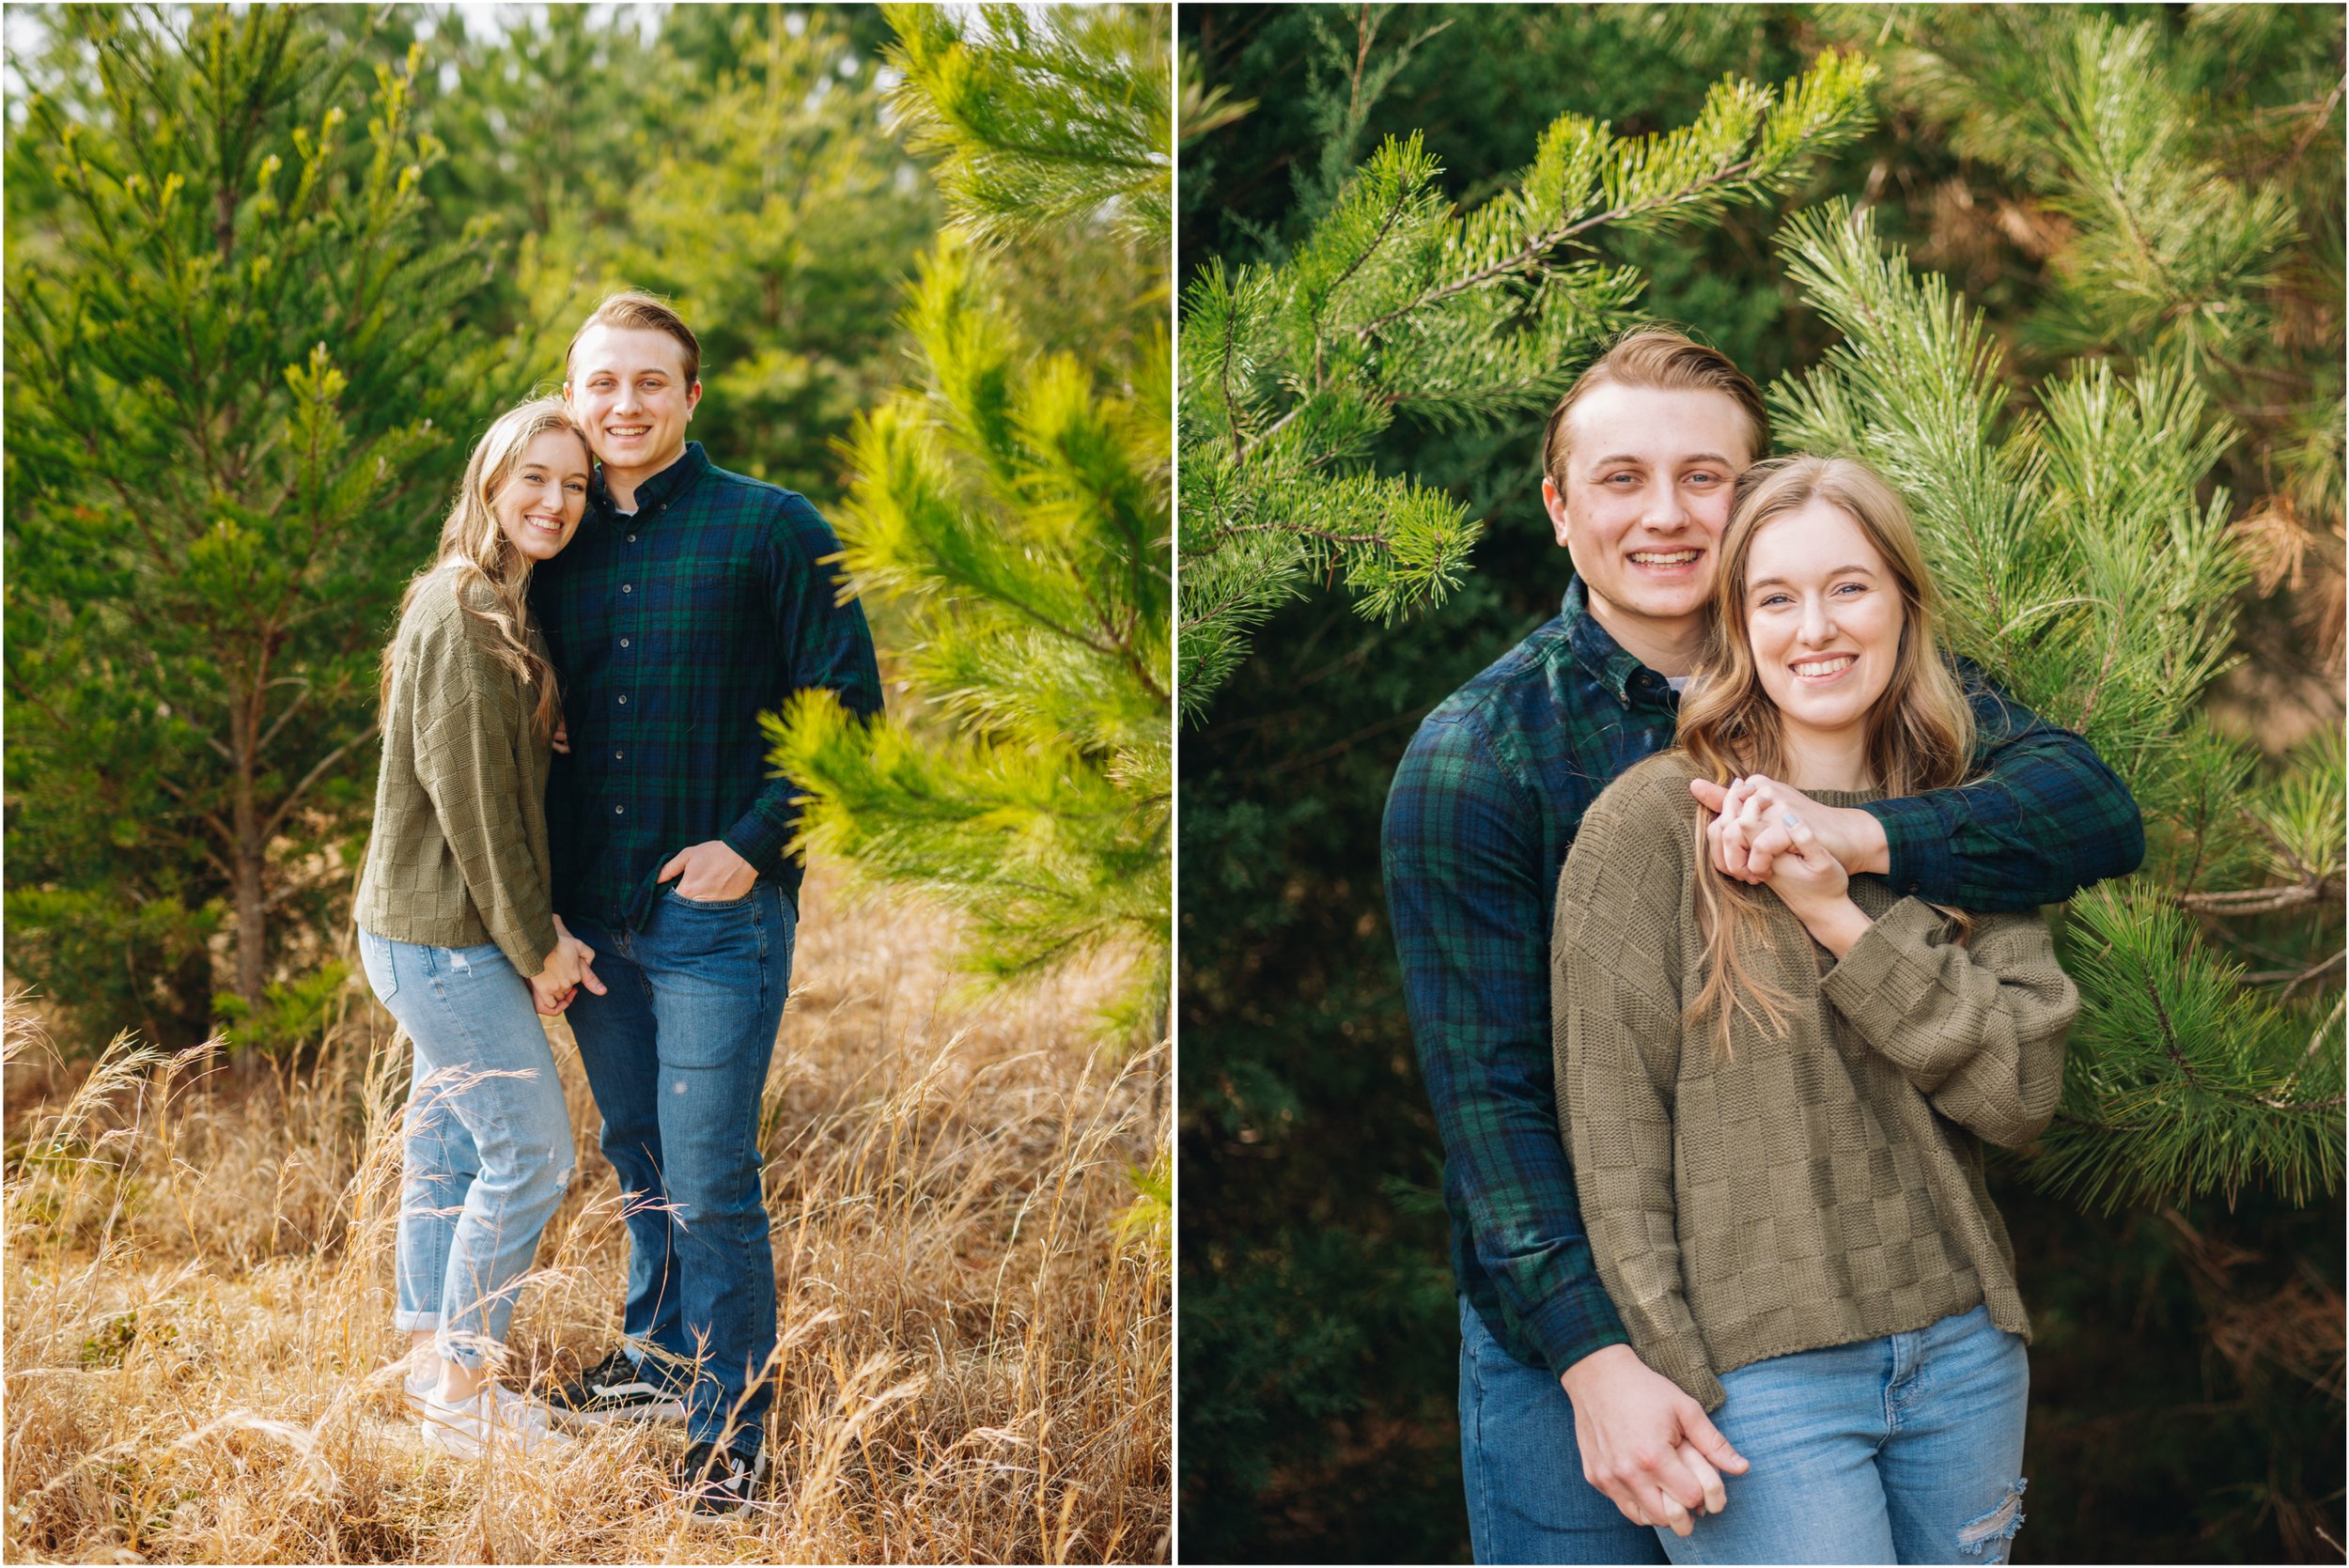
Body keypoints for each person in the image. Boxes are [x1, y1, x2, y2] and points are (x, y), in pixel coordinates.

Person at [1381, 327, 2144, 1564]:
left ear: (1754, 499)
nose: (1669, 514)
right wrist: (1601, 1361)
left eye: (1707, 477)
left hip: (1870, 1308)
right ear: (1559, 509)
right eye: (1622, 478)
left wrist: (1851, 838)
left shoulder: (1855, 676)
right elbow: (1496, 1115)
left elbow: (2088, 813)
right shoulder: (1483, 756)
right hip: (1564, 1328)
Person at [1555, 454, 2073, 1564]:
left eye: (1849, 586)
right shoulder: (1648, 827)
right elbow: (1612, 1149)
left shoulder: (1966, 824)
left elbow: (2020, 1091)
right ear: (1737, 626)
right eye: (1775, 597)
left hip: (1965, 1361)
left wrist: (1839, 912)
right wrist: (1673, 1370)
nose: (1816, 627)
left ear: (1902, 602)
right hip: (1758, 1388)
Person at [529, 290, 884, 1515]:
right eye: (600, 384)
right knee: (636, 1156)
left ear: (692, 394)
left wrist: (751, 843)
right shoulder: (551, 537)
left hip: (714, 917)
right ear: (574, 396)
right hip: (591, 914)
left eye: (646, 382)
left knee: (710, 1176)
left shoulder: (770, 529)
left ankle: (732, 1443)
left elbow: (847, 707)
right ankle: (652, 1361)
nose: (621, 404)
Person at [354, 396, 607, 1457]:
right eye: (534, 478)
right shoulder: (461, 608)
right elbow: (475, 811)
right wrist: (537, 945)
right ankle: (462, 1390)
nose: (554, 501)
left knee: (451, 1153)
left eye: (576, 484)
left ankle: (429, 1376)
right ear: (490, 484)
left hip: (438, 933)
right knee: (532, 1156)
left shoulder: (500, 601)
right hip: (443, 943)